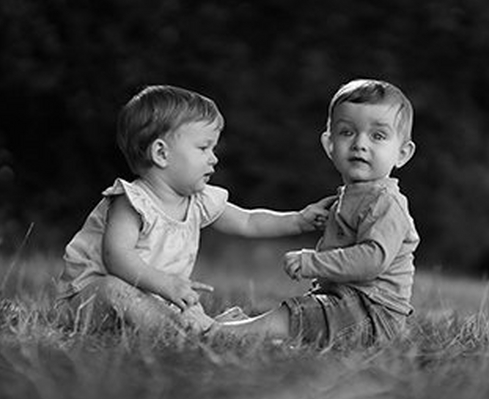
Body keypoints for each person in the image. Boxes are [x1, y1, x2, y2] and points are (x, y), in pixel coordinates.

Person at [56, 85, 334, 336]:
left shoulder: (197, 199)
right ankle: (190, 334)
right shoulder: (131, 201)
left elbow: (249, 221)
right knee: (115, 289)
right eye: (204, 147)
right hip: (92, 299)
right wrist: (166, 284)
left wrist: (299, 219)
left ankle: (209, 330)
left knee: (186, 308)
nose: (213, 157)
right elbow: (116, 257)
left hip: (154, 295)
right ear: (161, 154)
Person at [217, 79, 419, 347]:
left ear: (402, 154)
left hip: (374, 313)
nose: (360, 143)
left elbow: (373, 259)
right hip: (348, 303)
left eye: (378, 136)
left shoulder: (386, 203)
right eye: (347, 132)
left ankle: (227, 332)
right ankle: (242, 328)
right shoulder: (351, 195)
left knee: (300, 314)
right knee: (308, 316)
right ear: (329, 144)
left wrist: (313, 261)